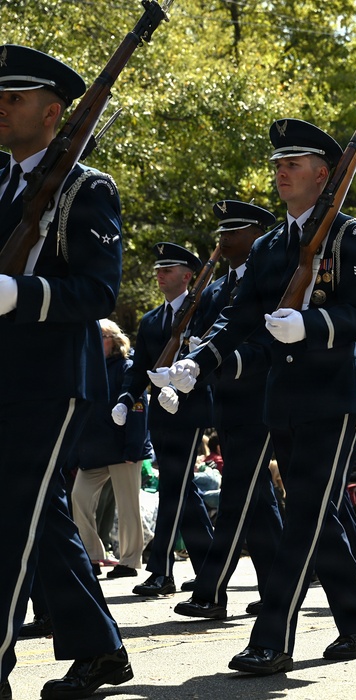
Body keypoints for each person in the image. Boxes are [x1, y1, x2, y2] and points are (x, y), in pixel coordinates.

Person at [166, 118, 356, 672]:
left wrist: (311, 325)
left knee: (306, 514)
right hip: (281, 398)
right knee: (317, 512)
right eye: (278, 165)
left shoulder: (350, 236)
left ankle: (273, 637)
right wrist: (199, 360)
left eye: (294, 164)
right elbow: (238, 319)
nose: (282, 172)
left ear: (323, 173)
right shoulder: (268, 246)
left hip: (334, 397)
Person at [0, 44, 133, 698]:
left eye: (14, 98)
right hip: (5, 375)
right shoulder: (1, 182)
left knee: (8, 520)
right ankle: (100, 649)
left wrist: (19, 295)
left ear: (53, 112)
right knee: (39, 519)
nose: (1, 107)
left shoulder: (87, 187)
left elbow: (97, 292)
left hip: (49, 382)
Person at [173, 199, 284, 621]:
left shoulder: (271, 281)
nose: (224, 238)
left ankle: (211, 591)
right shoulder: (217, 289)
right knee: (257, 498)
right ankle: (276, 587)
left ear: (257, 235)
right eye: (223, 230)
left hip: (259, 397)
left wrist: (227, 361)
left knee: (239, 494)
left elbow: (267, 343)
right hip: (228, 401)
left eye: (235, 229)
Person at [115, 242, 216, 596]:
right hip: (160, 411)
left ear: (188, 276)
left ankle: (161, 570)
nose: (160, 275)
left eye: (168, 270)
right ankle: (207, 565)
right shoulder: (152, 320)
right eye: (158, 270)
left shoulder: (204, 312)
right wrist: (126, 399)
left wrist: (181, 384)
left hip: (190, 409)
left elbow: (211, 359)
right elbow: (140, 368)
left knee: (174, 487)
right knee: (181, 487)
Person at [72, 319, 151, 579]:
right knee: (78, 499)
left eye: (101, 335)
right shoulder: (87, 368)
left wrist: (133, 448)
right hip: (93, 451)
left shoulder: (127, 367)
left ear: (114, 341)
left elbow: (138, 409)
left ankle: (129, 563)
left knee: (128, 507)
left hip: (123, 450)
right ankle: (93, 555)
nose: (95, 340)